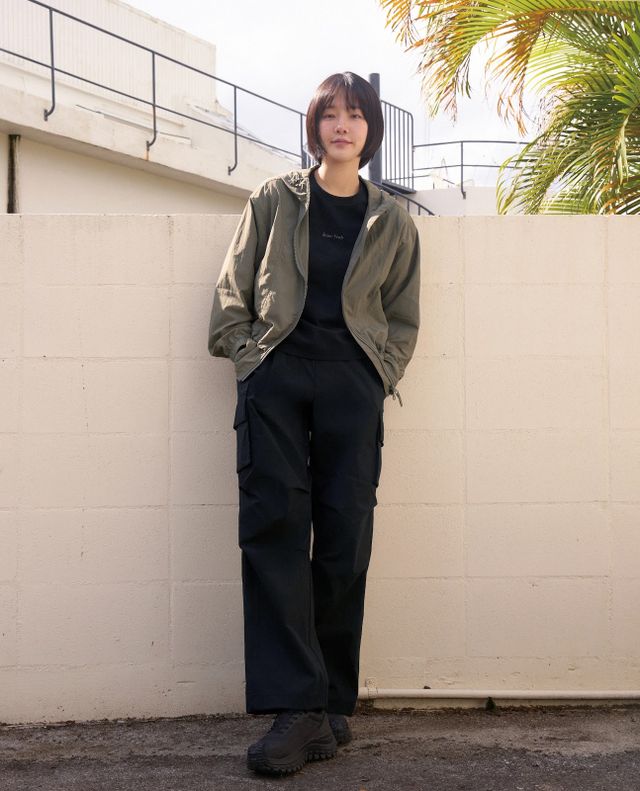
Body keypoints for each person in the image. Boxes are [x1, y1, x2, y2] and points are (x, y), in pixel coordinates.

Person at [208, 71, 420, 776]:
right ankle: (298, 708)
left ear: (370, 131)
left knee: (343, 537)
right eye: (331, 114)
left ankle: (328, 704)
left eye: (356, 115)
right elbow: (233, 289)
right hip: (277, 377)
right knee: (274, 530)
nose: (343, 125)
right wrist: (249, 362)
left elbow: (403, 315)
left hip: (351, 385)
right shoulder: (275, 198)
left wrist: (378, 374)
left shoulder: (392, 221)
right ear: (315, 126)